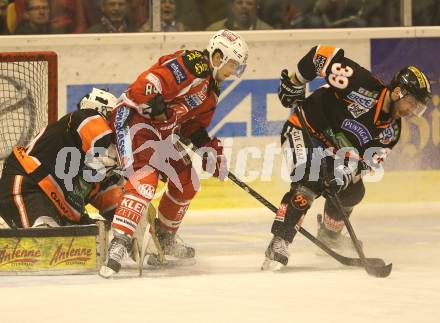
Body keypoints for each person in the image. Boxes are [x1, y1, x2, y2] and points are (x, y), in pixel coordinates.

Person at [262, 45, 432, 270]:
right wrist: (296, 82)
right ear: (399, 91)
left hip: (333, 152)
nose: (412, 111)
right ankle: (279, 241)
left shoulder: (392, 132)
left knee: (353, 190)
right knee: (309, 180)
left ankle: (330, 235)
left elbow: (364, 163)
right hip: (303, 130)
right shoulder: (361, 83)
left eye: (417, 108)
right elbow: (320, 55)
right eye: (411, 103)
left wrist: (340, 175)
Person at [99, 29, 249, 278]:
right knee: (145, 179)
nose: (233, 71)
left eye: (236, 66)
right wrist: (160, 114)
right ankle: (120, 241)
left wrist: (207, 148)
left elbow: (191, 125)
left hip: (161, 133)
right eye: (232, 64)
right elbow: (144, 87)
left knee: (187, 181)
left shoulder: (211, 90)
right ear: (217, 56)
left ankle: (165, 237)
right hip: (135, 120)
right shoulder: (193, 64)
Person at [0, 88, 123, 229]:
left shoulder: (96, 168)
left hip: (57, 210)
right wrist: (123, 160)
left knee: (96, 233)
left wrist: (130, 218)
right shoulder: (84, 118)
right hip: (29, 187)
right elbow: (99, 136)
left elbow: (115, 205)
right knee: (46, 239)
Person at [206, 0, 272, 31]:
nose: (244, 6)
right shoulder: (214, 30)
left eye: (249, 3)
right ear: (232, 7)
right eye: (239, 3)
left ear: (256, 8)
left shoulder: (267, 31)